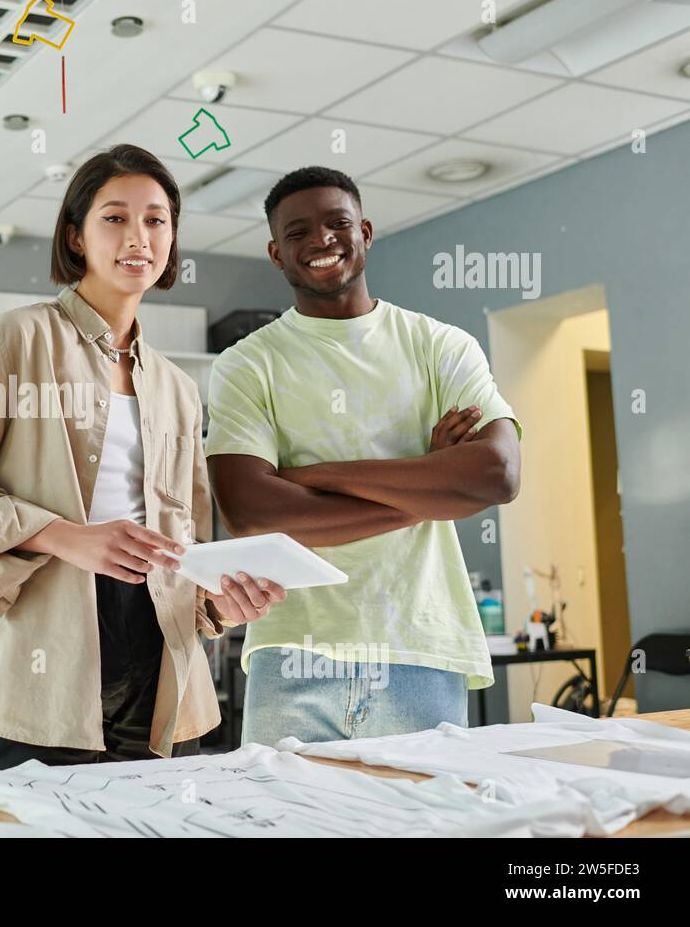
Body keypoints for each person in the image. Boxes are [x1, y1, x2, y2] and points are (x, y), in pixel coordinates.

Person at [0, 144, 282, 770]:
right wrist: (63, 536)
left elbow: (185, 541)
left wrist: (219, 604)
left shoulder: (177, 386)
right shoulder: (19, 338)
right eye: (115, 217)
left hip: (161, 649)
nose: (138, 236)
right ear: (76, 236)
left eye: (156, 219)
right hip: (48, 642)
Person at [206, 165, 522, 747]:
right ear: (276, 254)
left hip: (419, 648)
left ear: (367, 231)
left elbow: (497, 475)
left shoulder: (441, 346)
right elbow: (251, 512)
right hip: (293, 652)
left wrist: (310, 479)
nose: (321, 240)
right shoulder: (246, 365)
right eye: (297, 232)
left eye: (338, 223)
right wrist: (430, 485)